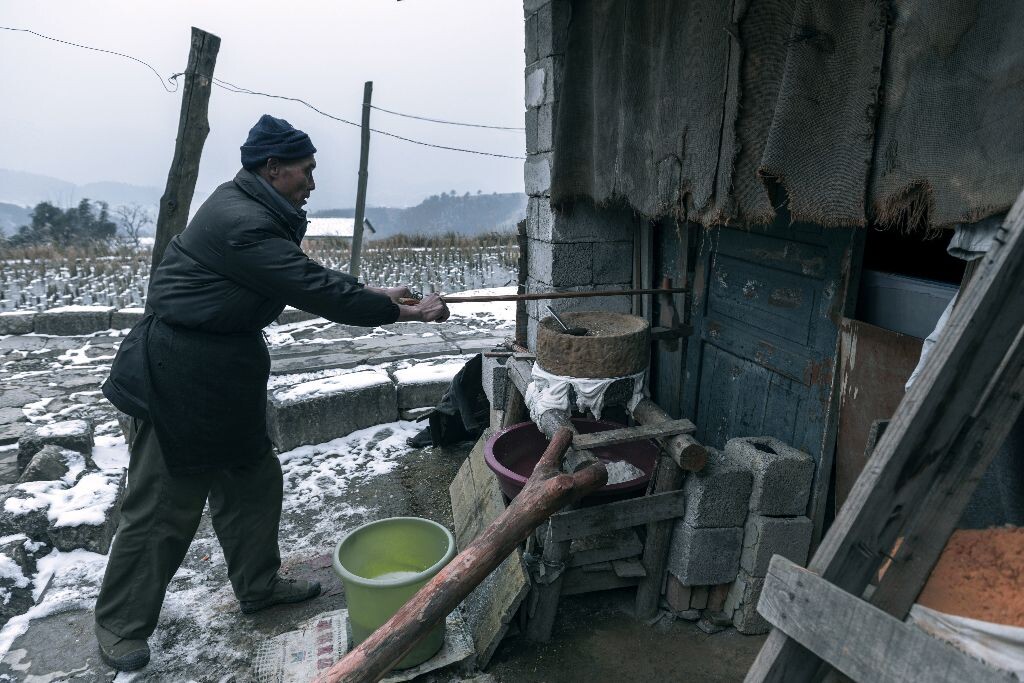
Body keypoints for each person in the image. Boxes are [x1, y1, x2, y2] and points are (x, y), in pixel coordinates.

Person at [94, 114, 449, 671]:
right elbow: (309, 287)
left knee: (252, 484)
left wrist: (373, 291)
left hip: (225, 376)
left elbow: (293, 276)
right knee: (163, 506)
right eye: (305, 170)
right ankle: (120, 626)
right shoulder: (243, 222)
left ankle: (258, 586)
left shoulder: (255, 211)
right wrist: (406, 312)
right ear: (273, 167)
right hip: (179, 375)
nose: (310, 182)